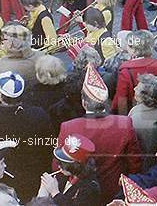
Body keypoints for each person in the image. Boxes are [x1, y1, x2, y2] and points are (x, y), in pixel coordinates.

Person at [57, 63, 142, 203]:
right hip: (114, 188)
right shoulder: (125, 124)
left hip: (81, 191)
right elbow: (135, 162)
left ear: (84, 102)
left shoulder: (68, 127)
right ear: (106, 102)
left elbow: (59, 163)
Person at [0, 71, 53, 202]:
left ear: (0, 94)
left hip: (2, 179)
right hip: (34, 176)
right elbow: (48, 147)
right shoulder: (39, 114)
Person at [112, 30, 157, 114]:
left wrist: (114, 111)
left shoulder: (126, 71)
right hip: (155, 105)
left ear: (134, 50)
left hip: (135, 110)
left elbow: (121, 97)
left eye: (129, 46)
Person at [37, 134, 101, 204]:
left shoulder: (90, 188)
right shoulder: (64, 176)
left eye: (63, 163)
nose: (59, 166)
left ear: (76, 165)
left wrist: (55, 192)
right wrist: (43, 192)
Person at [128, 73, 157, 170]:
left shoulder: (133, 117)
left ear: (146, 96)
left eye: (138, 89)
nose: (134, 89)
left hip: (145, 161)